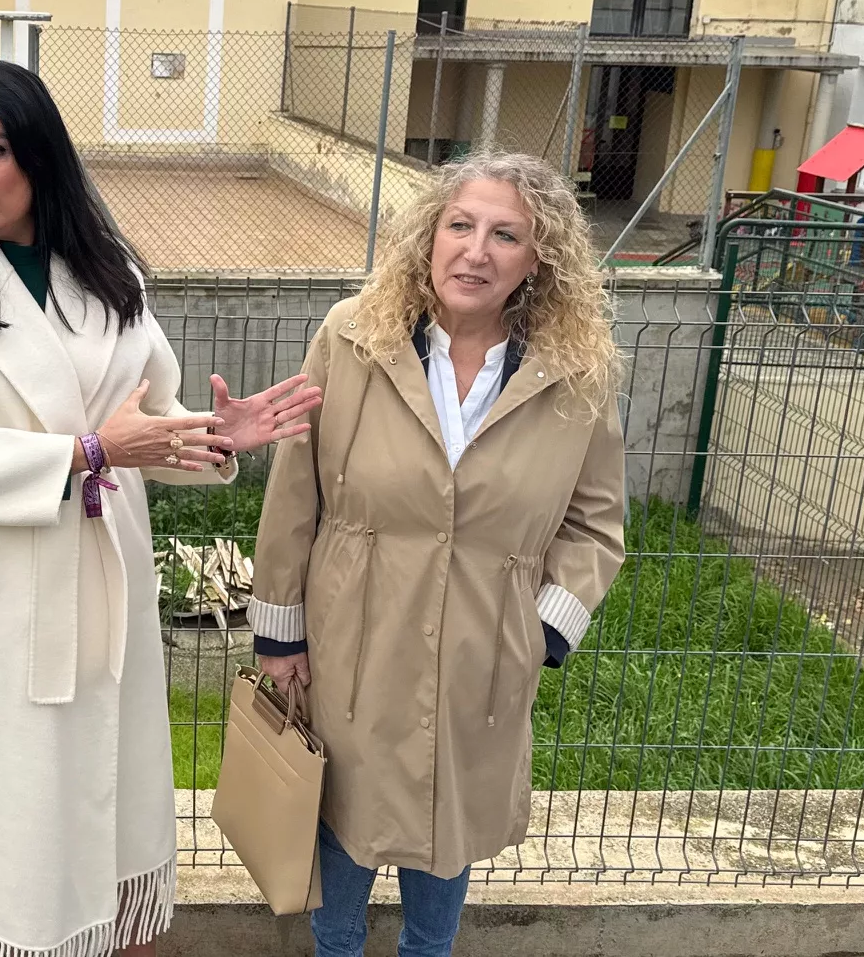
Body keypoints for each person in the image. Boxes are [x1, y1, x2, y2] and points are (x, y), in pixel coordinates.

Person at [0, 61, 322, 957]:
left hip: (102, 587)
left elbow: (146, 426)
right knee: (8, 814)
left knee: (113, 807)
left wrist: (213, 434)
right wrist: (90, 454)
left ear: (39, 154)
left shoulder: (109, 274)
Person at [247, 151, 626, 957]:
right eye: (459, 225)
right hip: (353, 644)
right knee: (342, 862)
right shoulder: (351, 339)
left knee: (443, 850)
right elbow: (294, 498)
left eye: (505, 235)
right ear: (428, 237)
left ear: (540, 259)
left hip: (481, 658)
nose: (475, 251)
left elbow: (597, 526)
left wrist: (543, 632)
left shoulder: (574, 374)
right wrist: (280, 639)